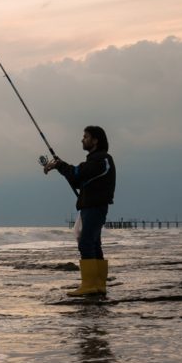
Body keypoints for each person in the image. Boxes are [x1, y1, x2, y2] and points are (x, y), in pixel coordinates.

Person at [44, 126, 116, 296]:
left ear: (95, 140)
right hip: (91, 206)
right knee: (93, 243)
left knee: (86, 243)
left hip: (95, 207)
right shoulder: (95, 160)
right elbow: (78, 179)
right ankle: (98, 285)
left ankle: (90, 285)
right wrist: (61, 167)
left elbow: (78, 174)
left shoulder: (101, 160)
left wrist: (61, 165)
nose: (82, 139)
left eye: (86, 136)